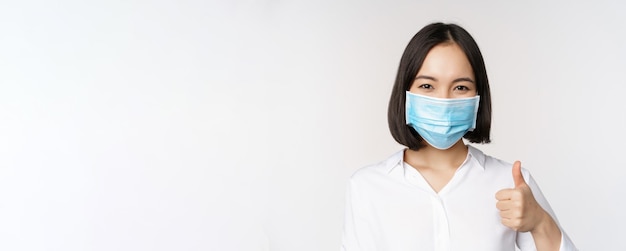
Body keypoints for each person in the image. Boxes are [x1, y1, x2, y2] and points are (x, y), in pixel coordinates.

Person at [341, 23, 576, 251]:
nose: (444, 100)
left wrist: (540, 222)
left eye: (460, 87)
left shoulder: (511, 183)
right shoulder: (367, 187)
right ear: (406, 93)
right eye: (427, 86)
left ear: (478, 97)